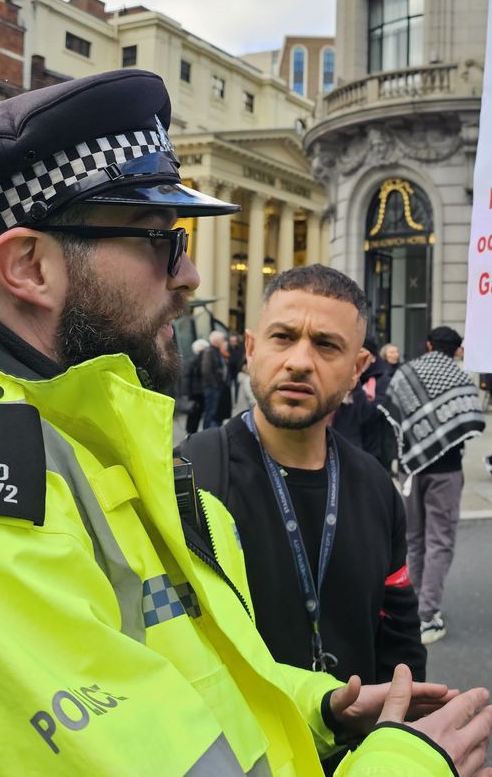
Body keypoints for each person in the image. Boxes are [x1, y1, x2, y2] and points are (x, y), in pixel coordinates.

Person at [0, 70, 492, 775]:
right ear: (29, 266)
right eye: (158, 240)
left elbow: (169, 674)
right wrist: (414, 766)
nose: (189, 275)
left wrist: (315, 707)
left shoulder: (68, 428)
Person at [180, 265, 424, 697]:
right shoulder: (188, 473)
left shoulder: (376, 487)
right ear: (252, 348)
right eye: (283, 337)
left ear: (357, 368)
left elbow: (400, 634)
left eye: (327, 345)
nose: (298, 362)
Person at [382, 326, 485, 644]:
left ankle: (410, 606)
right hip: (446, 471)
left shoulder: (407, 372)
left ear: (428, 344)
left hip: (411, 470)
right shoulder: (460, 379)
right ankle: (427, 615)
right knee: (439, 541)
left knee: (413, 539)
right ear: (456, 350)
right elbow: (471, 425)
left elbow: (391, 415)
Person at [200, 328, 228, 428]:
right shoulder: (209, 351)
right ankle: (206, 434)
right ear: (216, 341)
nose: (224, 341)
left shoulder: (216, 351)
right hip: (211, 388)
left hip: (216, 387)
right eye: (222, 339)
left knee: (214, 411)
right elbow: (206, 370)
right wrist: (215, 385)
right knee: (210, 412)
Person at [184, 336, 210, 436]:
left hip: (195, 391)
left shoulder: (192, 359)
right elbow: (188, 377)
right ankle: (190, 433)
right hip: (197, 392)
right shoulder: (198, 360)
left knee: (194, 413)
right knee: (195, 413)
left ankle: (190, 432)